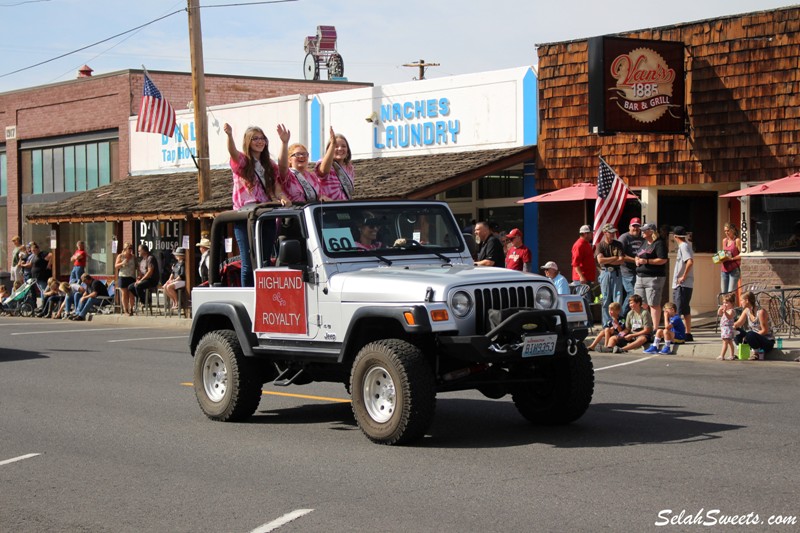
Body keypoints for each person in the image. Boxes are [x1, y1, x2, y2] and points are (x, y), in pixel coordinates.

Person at [224, 122, 291, 287]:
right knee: (248, 262)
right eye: (255, 138)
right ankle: (248, 295)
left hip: (266, 215)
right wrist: (230, 135)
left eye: (262, 138)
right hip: (246, 216)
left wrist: (282, 196)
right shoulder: (243, 162)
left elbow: (277, 185)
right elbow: (232, 153)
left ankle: (264, 294)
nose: (259, 141)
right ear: (248, 142)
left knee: (265, 260)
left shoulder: (269, 164)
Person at [634, 222, 668, 331]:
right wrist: (636, 260)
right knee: (641, 304)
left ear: (651, 231)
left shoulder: (659, 243)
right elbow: (637, 255)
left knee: (653, 303)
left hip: (654, 278)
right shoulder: (644, 243)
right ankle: (644, 326)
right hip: (640, 277)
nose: (642, 232)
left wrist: (647, 261)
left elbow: (663, 260)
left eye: (644, 230)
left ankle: (655, 328)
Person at [315, 126, 355, 201]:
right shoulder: (323, 163)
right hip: (329, 207)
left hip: (345, 207)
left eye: (343, 146)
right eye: (336, 146)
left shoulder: (350, 168)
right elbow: (323, 171)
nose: (340, 149)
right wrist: (332, 144)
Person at [596, 223, 624, 325]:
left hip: (616, 273)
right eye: (610, 232)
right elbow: (600, 260)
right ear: (605, 233)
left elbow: (621, 260)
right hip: (605, 273)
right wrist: (614, 258)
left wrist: (608, 260)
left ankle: (617, 322)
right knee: (605, 299)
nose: (613, 234)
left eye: (614, 232)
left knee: (618, 298)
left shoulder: (618, 244)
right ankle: (606, 324)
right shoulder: (601, 245)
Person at [733, 290, 774, 360]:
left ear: (747, 300)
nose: (740, 303)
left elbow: (765, 331)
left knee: (750, 334)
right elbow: (738, 323)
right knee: (736, 331)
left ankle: (756, 354)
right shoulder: (746, 310)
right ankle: (741, 351)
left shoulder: (761, 312)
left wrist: (748, 337)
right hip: (752, 339)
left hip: (766, 342)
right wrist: (728, 327)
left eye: (741, 300)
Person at [671, 226, 695, 342]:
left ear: (675, 236)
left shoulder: (684, 246)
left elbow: (690, 262)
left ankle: (679, 334)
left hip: (682, 284)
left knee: (678, 310)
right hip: (685, 284)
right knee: (685, 309)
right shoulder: (687, 245)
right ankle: (688, 333)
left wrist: (683, 277)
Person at [618, 217, 644, 318]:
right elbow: (621, 255)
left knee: (637, 295)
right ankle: (622, 316)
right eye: (634, 226)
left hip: (639, 272)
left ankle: (633, 318)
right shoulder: (624, 238)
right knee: (632, 293)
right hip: (627, 271)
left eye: (638, 226)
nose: (636, 228)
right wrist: (635, 260)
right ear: (629, 227)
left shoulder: (642, 239)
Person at [719, 222, 742, 296]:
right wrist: (720, 258)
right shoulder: (724, 241)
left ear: (733, 230)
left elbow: (742, 255)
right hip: (724, 269)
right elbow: (723, 253)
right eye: (725, 231)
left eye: (728, 230)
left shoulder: (737, 240)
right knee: (724, 293)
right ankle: (725, 307)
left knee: (730, 293)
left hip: (734, 270)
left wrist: (732, 259)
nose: (726, 232)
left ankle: (730, 307)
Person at [114, 242, 136, 316]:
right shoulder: (120, 256)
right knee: (124, 294)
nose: (130, 250)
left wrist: (139, 275)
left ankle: (132, 309)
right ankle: (125, 310)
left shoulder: (133, 257)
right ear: (125, 249)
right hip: (123, 276)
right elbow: (116, 266)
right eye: (129, 248)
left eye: (131, 248)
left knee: (131, 294)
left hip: (131, 277)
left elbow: (137, 267)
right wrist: (122, 263)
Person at [133, 244, 158, 308]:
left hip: (151, 280)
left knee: (138, 286)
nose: (138, 252)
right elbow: (141, 272)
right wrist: (139, 278)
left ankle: (144, 302)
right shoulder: (142, 260)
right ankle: (146, 299)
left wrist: (141, 280)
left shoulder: (150, 258)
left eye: (139, 251)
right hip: (145, 279)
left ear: (144, 251)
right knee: (131, 287)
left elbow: (150, 272)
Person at [717, 293, 736, 361]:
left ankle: (722, 355)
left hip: (728, 328)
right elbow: (719, 314)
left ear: (732, 303)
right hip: (724, 328)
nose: (725, 304)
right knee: (730, 342)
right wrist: (720, 309)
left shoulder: (732, 311)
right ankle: (732, 355)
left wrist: (725, 312)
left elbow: (729, 317)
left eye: (727, 303)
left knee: (725, 342)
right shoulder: (726, 310)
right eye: (724, 303)